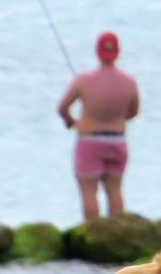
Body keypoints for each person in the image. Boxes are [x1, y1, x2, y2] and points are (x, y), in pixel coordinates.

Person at [57, 31, 140, 221]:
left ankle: (93, 234)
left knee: (89, 191)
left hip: (90, 141)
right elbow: (133, 112)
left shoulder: (83, 80)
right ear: (118, 53)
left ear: (97, 52)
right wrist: (115, 118)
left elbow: (62, 107)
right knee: (115, 190)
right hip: (118, 141)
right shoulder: (129, 82)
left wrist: (71, 121)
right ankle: (118, 233)